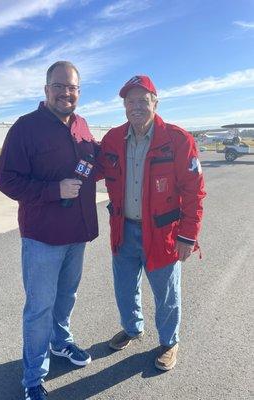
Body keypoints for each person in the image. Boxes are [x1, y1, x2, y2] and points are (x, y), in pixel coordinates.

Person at [0, 61, 99, 400]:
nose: (65, 92)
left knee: (66, 299)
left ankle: (61, 343)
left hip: (77, 234)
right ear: (46, 90)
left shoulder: (83, 125)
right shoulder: (26, 128)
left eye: (71, 87)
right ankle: (32, 379)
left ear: (79, 92)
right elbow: (7, 180)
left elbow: (92, 167)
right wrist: (54, 190)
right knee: (39, 307)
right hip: (42, 236)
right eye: (59, 86)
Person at [97, 75, 206, 371]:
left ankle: (170, 342)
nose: (136, 107)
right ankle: (133, 328)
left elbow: (194, 192)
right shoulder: (112, 139)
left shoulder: (178, 140)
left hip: (162, 233)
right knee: (124, 288)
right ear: (124, 106)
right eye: (130, 102)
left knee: (166, 293)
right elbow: (94, 168)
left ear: (155, 103)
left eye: (142, 101)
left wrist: (188, 236)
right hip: (124, 230)